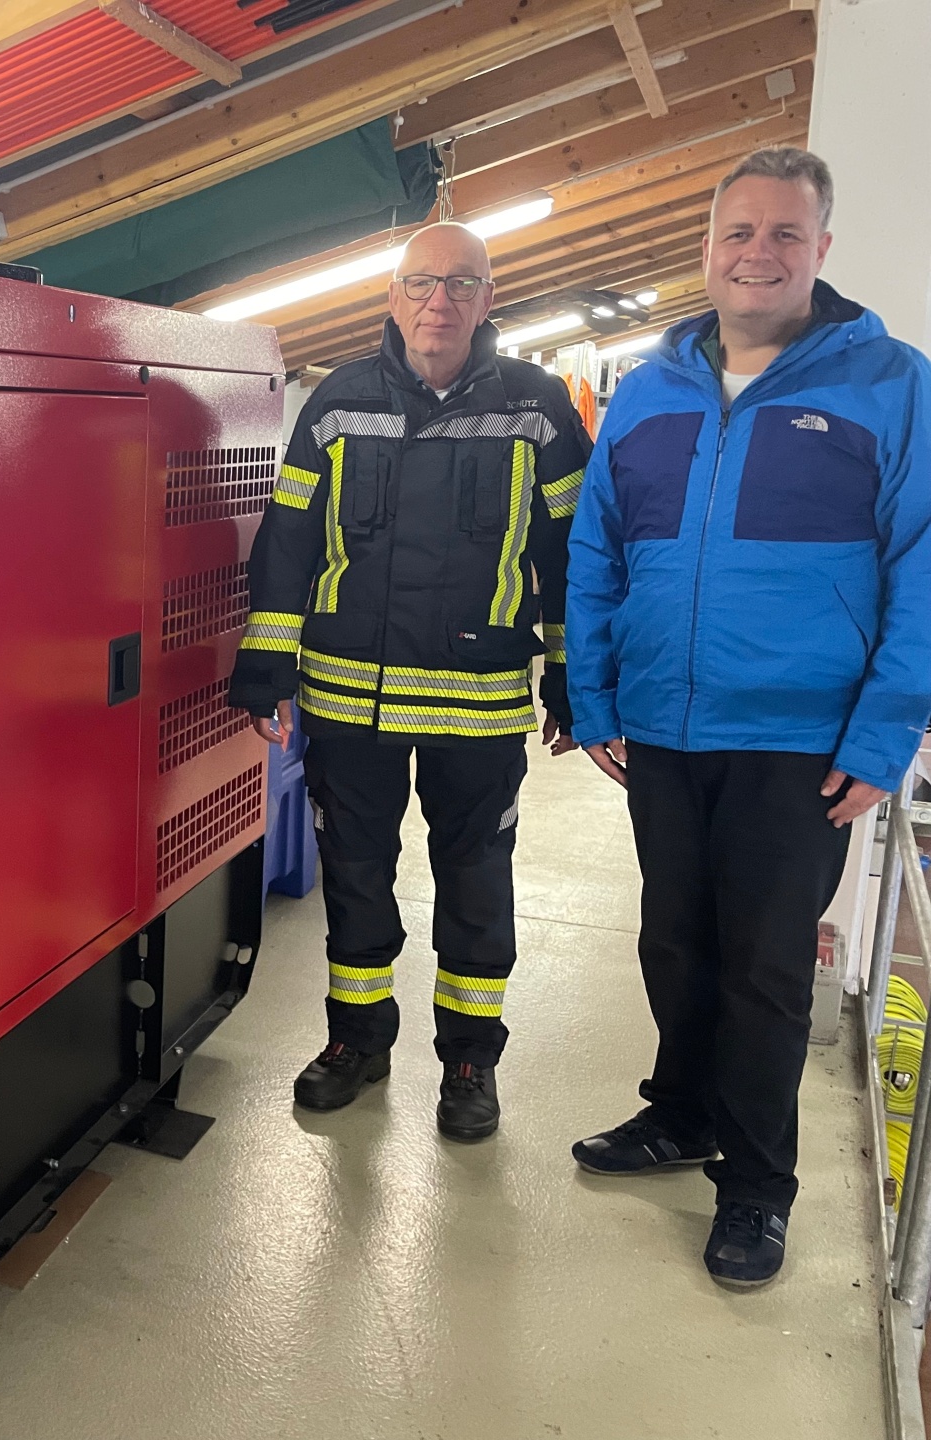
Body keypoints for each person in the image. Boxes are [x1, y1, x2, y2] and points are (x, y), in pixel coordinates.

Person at [567, 147, 931, 1287]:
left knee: (767, 968)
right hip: (665, 727)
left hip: (801, 743)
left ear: (822, 250)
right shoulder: (649, 385)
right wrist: (592, 696)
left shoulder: (892, 383)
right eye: (739, 233)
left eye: (784, 234)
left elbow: (922, 570)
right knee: (675, 941)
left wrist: (884, 738)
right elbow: (597, 551)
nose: (758, 253)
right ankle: (678, 1115)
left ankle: (757, 1187)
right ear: (708, 250)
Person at [229, 223, 590, 1140]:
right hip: (350, 701)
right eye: (423, 283)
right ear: (392, 294)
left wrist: (576, 683)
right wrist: (267, 670)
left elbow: (576, 559)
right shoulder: (337, 402)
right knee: (355, 876)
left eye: (461, 285)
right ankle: (357, 1040)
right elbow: (291, 541)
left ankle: (470, 1061)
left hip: (479, 706)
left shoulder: (538, 408)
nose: (440, 303)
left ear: (488, 298)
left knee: (476, 885)